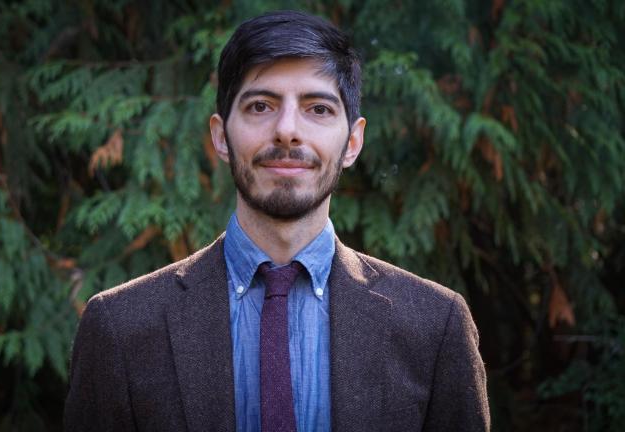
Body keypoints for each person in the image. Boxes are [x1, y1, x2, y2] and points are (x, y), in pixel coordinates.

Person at [64, 10, 489, 432]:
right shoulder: (120, 327)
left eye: (318, 109)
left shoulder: (436, 326)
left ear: (353, 142)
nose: (287, 131)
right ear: (220, 136)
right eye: (260, 106)